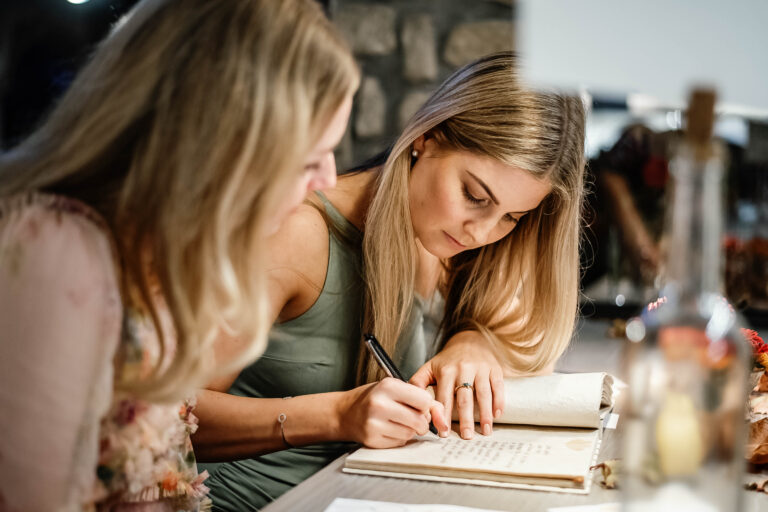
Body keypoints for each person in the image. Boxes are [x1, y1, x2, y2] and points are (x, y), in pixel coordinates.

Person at [0, 0, 358, 509]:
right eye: (308, 158)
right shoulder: (52, 252)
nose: (328, 179)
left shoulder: (158, 258)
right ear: (217, 147)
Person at [193, 51, 587, 511]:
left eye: (512, 218)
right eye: (474, 195)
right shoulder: (299, 232)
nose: (480, 232)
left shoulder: (438, 236)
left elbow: (511, 321)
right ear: (427, 137)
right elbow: (168, 415)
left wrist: (471, 342)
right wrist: (337, 415)